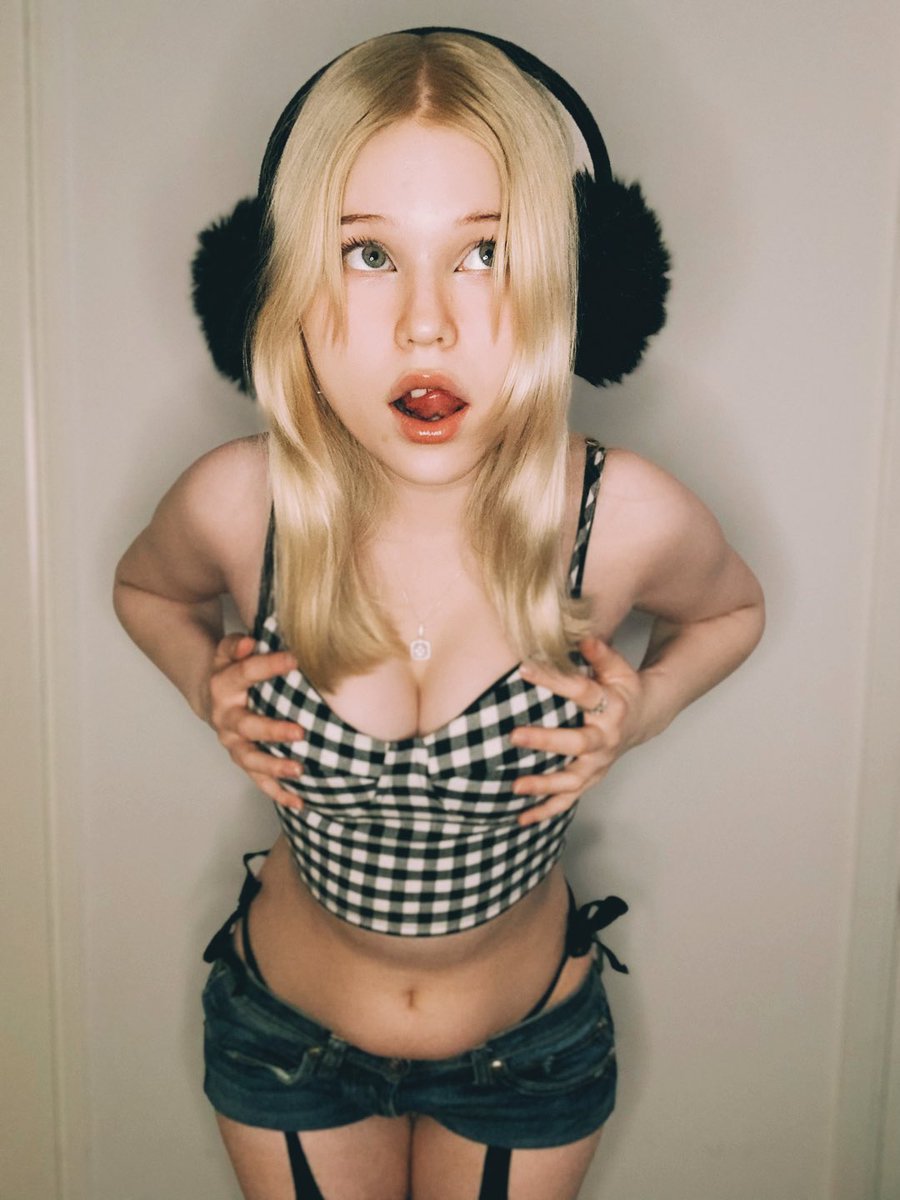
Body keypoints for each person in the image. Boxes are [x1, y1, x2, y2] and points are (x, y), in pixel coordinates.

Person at [113, 28, 764, 1200]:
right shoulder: (239, 504)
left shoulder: (620, 517)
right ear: (284, 284)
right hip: (283, 1044)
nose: (427, 325)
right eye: (369, 253)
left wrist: (644, 711)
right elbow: (146, 590)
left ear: (571, 280)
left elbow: (732, 614)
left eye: (485, 254)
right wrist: (202, 682)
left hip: (529, 1057)